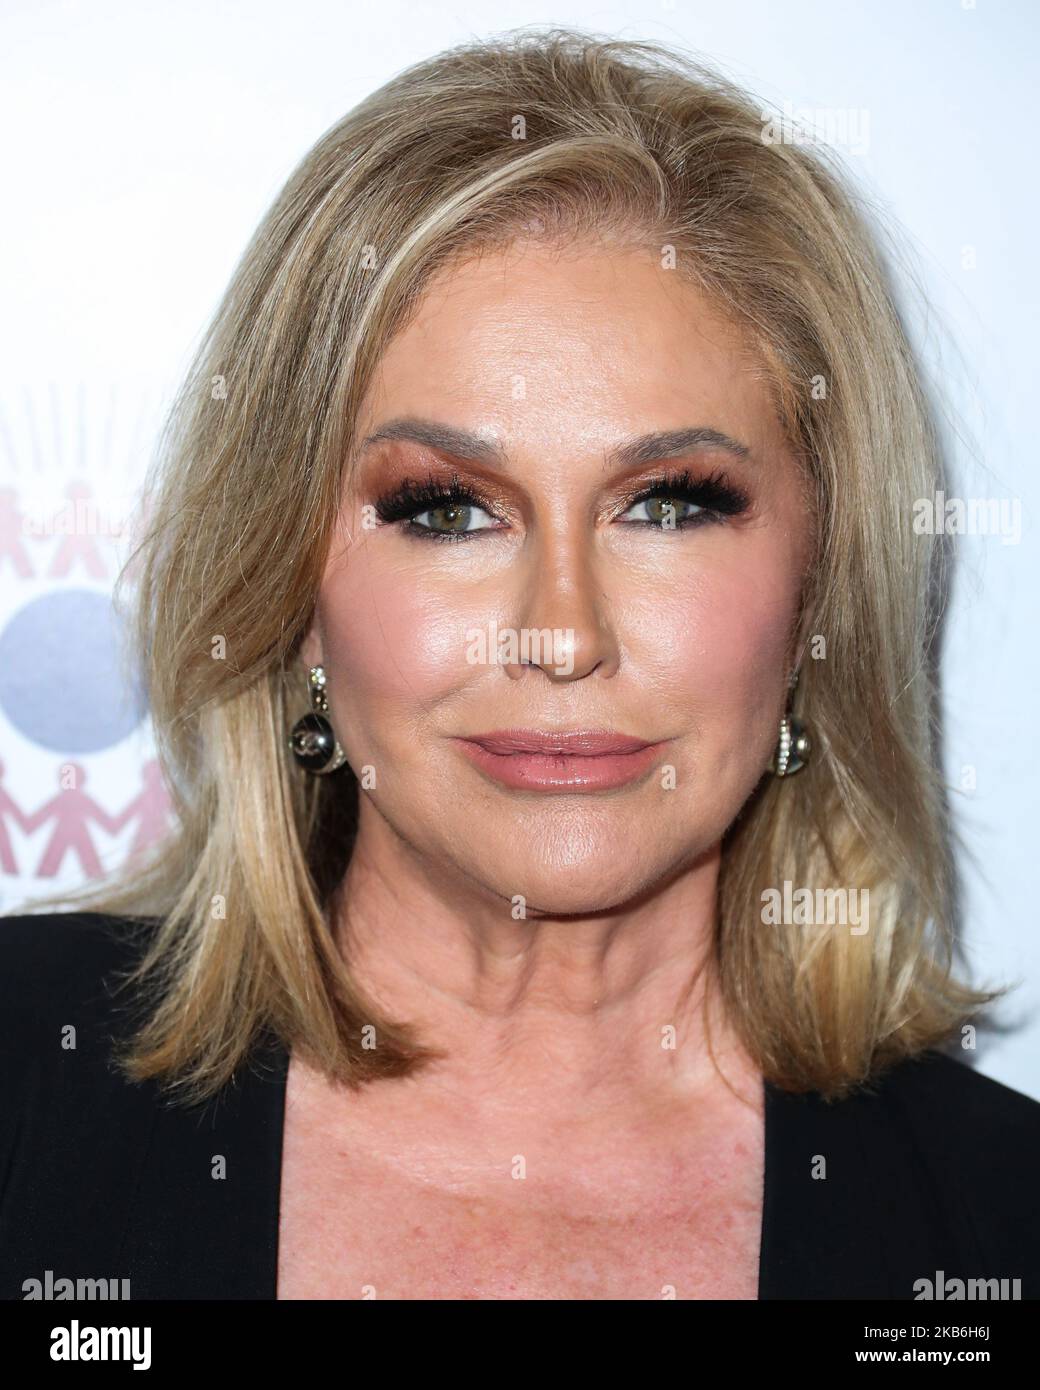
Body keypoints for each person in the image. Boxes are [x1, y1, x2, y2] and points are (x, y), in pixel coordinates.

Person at [2, 27, 1038, 1302]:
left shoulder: (997, 1226)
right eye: (446, 508)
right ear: (290, 586)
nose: (562, 633)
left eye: (668, 504)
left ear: (818, 583)